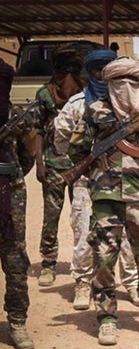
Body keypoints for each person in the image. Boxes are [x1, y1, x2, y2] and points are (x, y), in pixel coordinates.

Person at [67, 58, 139, 346]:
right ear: (110, 83)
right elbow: (77, 149)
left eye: (132, 82)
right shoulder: (96, 111)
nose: (125, 87)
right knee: (103, 259)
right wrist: (99, 169)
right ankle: (107, 319)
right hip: (106, 198)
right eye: (119, 81)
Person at [53, 47, 139, 311]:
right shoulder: (78, 104)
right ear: (89, 73)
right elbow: (61, 142)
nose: (102, 76)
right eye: (97, 71)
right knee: (83, 233)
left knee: (127, 236)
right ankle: (82, 282)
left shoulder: (130, 104)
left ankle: (132, 282)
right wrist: (88, 162)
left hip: (124, 180)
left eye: (107, 71)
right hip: (87, 181)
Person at [34, 46, 84, 287]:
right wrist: (39, 162)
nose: (62, 79)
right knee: (51, 216)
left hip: (80, 165)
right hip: (54, 165)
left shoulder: (85, 93)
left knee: (81, 217)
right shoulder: (45, 94)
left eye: (66, 73)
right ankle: (48, 263)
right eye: (59, 73)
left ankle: (82, 263)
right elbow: (38, 131)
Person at [0, 59, 38, 349]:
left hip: (10, 194)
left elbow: (29, 154)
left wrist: (10, 177)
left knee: (15, 259)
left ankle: (17, 322)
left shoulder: (17, 118)